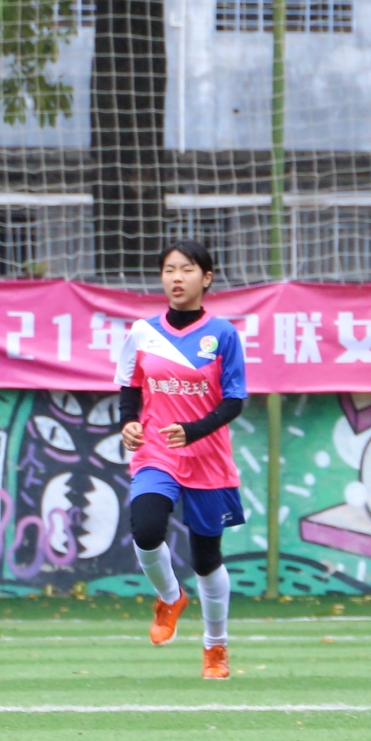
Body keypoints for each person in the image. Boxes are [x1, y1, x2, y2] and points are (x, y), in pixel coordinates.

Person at [116, 239, 246, 680]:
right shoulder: (143, 332)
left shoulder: (223, 334)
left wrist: (193, 430)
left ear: (206, 278)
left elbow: (234, 401)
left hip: (208, 457)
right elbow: (130, 385)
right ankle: (170, 598)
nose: (177, 277)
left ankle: (215, 646)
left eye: (187, 269)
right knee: (146, 529)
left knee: (207, 558)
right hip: (156, 452)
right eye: (169, 269)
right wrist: (128, 422)